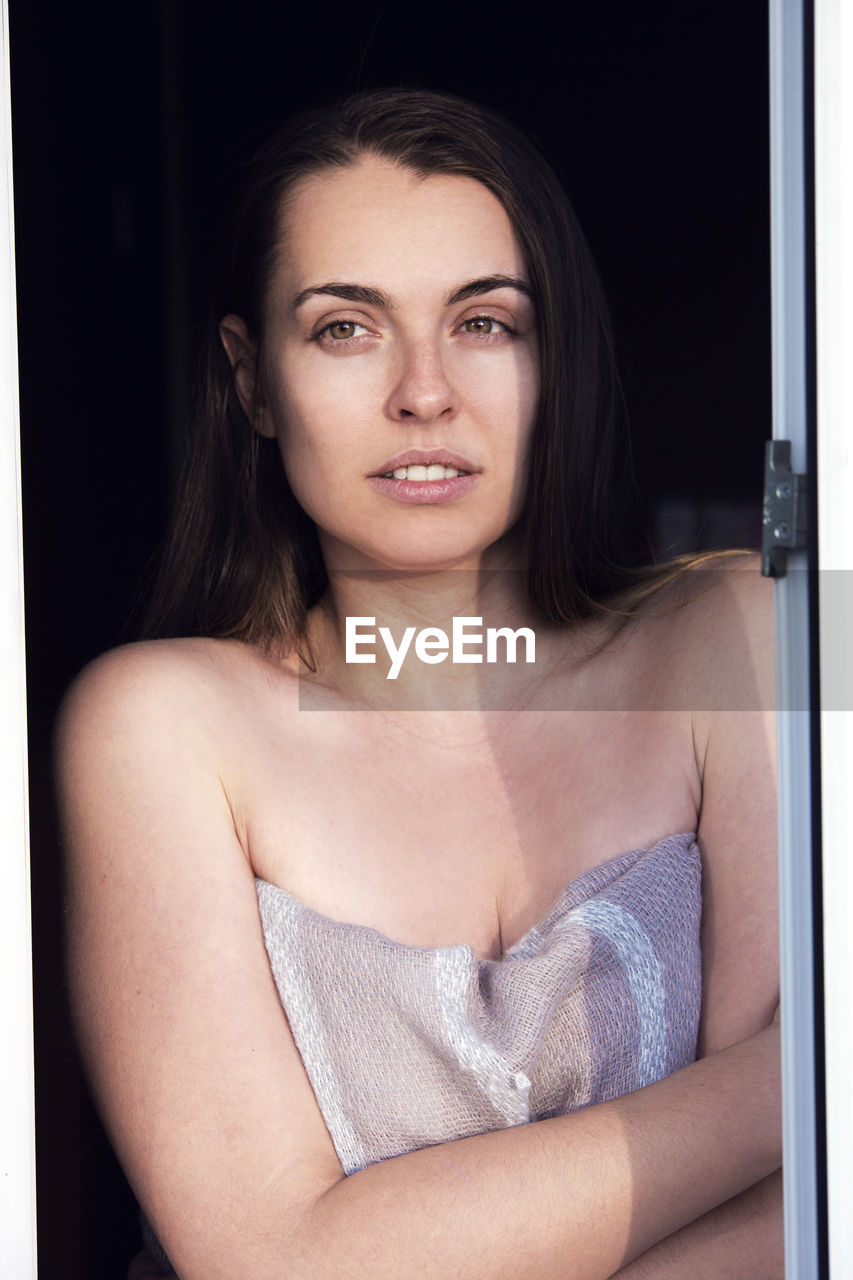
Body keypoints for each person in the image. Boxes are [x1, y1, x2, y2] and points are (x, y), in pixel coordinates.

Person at [56, 89, 782, 1279]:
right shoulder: (152, 723)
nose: (425, 392)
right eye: (346, 327)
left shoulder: (743, 636)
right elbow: (269, 1261)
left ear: (560, 357)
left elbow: (803, 1210)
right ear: (250, 381)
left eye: (486, 323)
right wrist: (796, 1074)